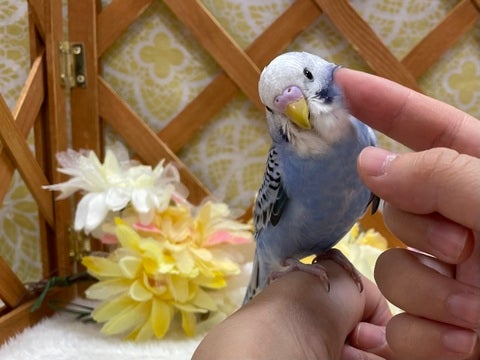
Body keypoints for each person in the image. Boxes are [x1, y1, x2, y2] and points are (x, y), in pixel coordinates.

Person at [192, 68, 480, 360]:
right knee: (254, 304)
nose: (294, 105)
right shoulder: (282, 161)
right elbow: (267, 221)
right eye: (274, 106)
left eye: (305, 78)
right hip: (276, 250)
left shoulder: (366, 139)